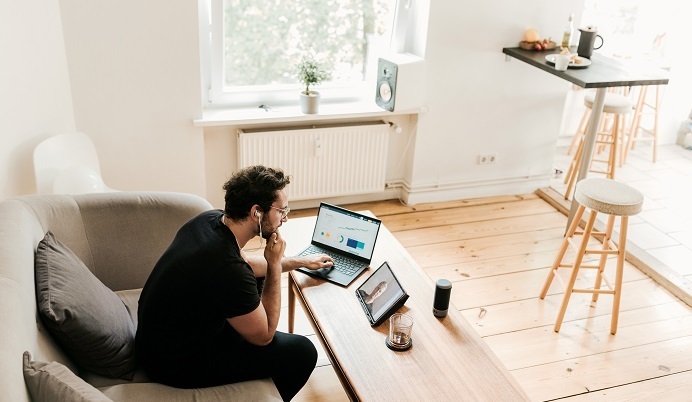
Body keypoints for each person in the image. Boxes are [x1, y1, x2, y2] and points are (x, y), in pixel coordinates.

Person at [136, 165, 335, 401]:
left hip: (160, 340)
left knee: (254, 282)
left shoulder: (209, 220)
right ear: (257, 213)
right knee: (302, 352)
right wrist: (273, 265)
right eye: (281, 210)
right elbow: (264, 336)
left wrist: (299, 261)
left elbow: (246, 265)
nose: (285, 218)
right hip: (174, 363)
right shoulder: (225, 267)